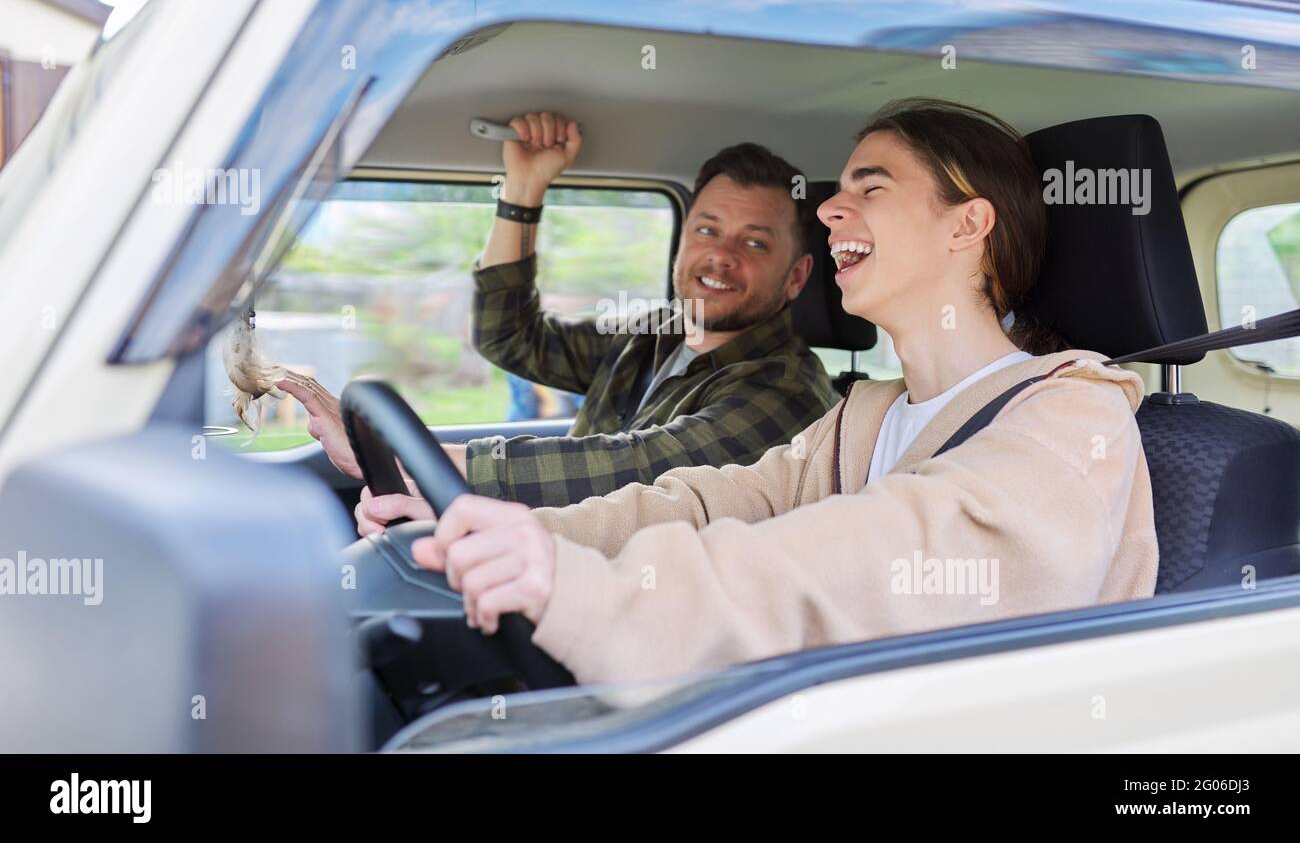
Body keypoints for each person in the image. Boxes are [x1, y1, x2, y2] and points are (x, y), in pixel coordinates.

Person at [363, 97, 1159, 685]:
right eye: (838, 189)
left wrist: (580, 589)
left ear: (966, 225)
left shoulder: (1073, 414)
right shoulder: (864, 416)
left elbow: (879, 557)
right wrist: (503, 529)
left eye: (871, 188)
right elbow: (702, 503)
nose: (833, 207)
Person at [282, 111, 837, 507]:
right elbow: (512, 338)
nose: (720, 255)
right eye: (707, 229)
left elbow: (642, 466)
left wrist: (418, 460)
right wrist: (522, 189)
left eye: (755, 243)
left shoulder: (788, 391)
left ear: (796, 278)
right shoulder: (658, 332)